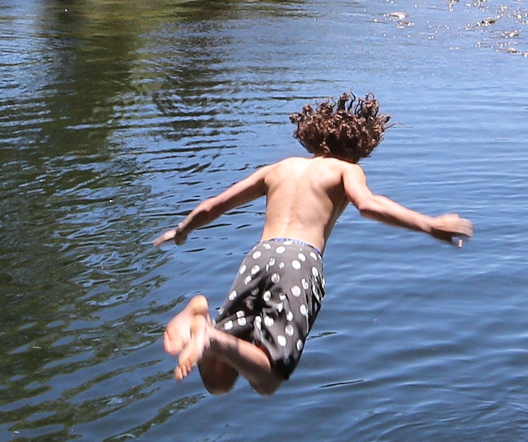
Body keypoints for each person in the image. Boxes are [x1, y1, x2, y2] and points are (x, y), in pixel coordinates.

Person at [153, 92, 473, 396]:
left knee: (219, 382)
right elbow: (368, 205)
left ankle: (202, 317)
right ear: (361, 146)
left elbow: (215, 205)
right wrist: (428, 225)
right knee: (269, 378)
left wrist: (181, 230)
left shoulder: (279, 168)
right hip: (299, 261)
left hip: (259, 256)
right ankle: (207, 335)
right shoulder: (347, 170)